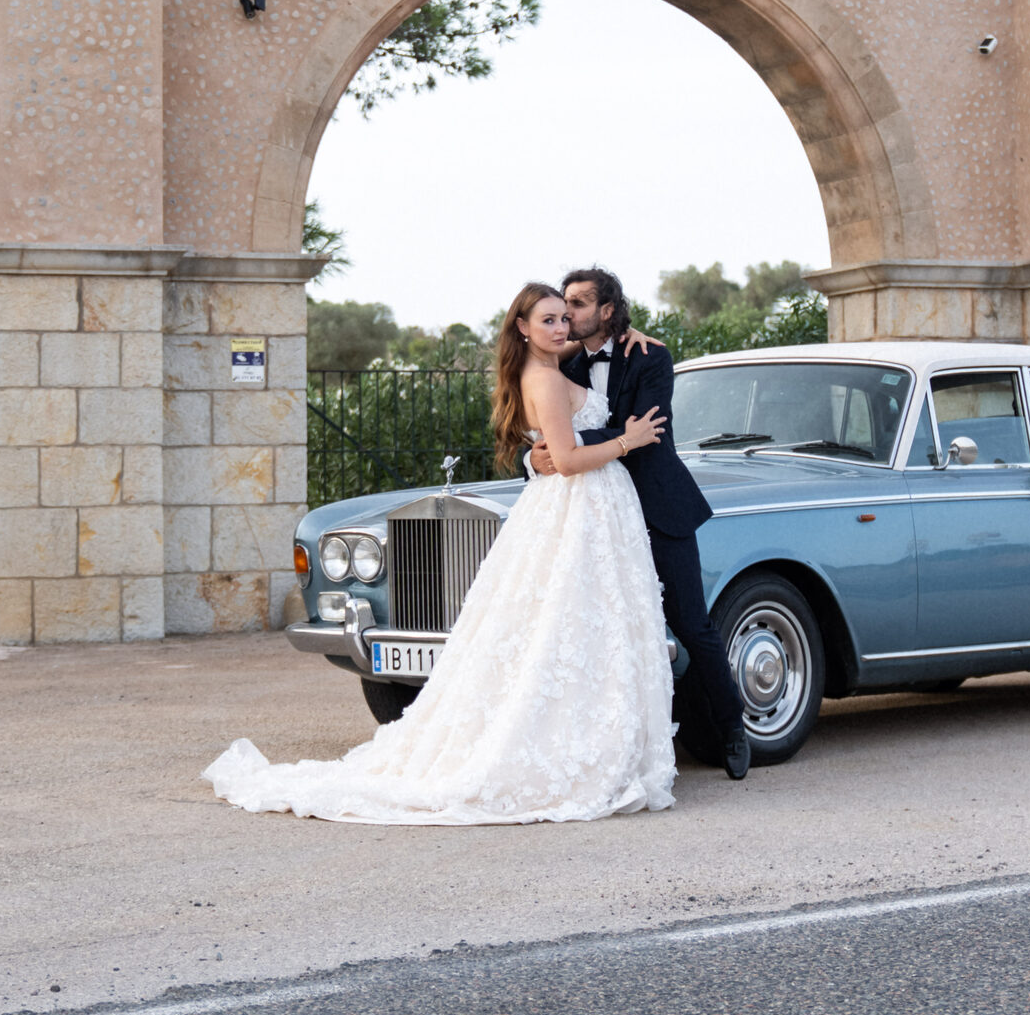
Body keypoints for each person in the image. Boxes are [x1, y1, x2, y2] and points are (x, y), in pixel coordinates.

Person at [203, 284, 677, 825]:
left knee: (578, 625)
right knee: (564, 624)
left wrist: (624, 336)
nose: (561, 327)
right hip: (578, 500)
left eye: (564, 319)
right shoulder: (544, 377)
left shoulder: (547, 358)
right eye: (548, 319)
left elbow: (589, 352)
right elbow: (566, 459)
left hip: (588, 511)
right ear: (522, 327)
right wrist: (628, 440)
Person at [533, 267, 751, 781]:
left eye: (579, 306)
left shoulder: (652, 356)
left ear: (608, 311)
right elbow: (537, 423)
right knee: (602, 631)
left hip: (658, 508)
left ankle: (733, 729)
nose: (568, 316)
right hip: (597, 516)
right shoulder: (561, 365)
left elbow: (643, 430)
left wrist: (565, 447)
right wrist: (536, 457)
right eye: (562, 308)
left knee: (693, 625)